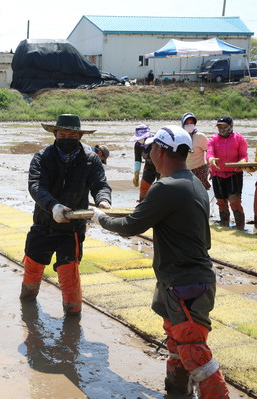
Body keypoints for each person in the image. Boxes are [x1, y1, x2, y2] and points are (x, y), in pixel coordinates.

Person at [92, 125, 229, 399]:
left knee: (194, 350)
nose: (148, 153)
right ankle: (177, 393)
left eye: (151, 148)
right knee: (178, 342)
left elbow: (132, 225)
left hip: (185, 283)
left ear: (160, 151)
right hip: (181, 280)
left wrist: (99, 218)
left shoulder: (166, 187)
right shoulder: (193, 182)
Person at [19, 114, 111, 316]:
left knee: (69, 275)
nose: (67, 137)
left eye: (71, 134)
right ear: (55, 134)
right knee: (33, 269)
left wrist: (103, 199)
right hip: (44, 223)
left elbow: (100, 184)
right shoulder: (42, 157)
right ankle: (27, 306)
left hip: (72, 230)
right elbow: (36, 186)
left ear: (79, 136)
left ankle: (72, 314)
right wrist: (53, 206)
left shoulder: (90, 159)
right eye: (62, 134)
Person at [206, 115, 249, 229]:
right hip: (217, 175)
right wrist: (210, 159)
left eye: (224, 126)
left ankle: (240, 226)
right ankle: (224, 224)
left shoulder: (239, 138)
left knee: (234, 201)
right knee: (221, 202)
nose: (222, 129)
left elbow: (244, 156)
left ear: (231, 126)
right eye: (219, 126)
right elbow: (209, 153)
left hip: (234, 174)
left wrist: (242, 162)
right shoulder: (213, 139)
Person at [130, 124, 160, 202]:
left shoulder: (155, 142)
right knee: (144, 187)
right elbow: (137, 159)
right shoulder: (137, 145)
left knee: (160, 187)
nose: (140, 140)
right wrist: (136, 173)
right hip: (149, 165)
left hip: (160, 166)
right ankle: (142, 204)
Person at [181, 112, 210, 190]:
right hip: (185, 170)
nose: (189, 125)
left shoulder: (200, 137)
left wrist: (211, 167)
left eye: (191, 123)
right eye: (187, 123)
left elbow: (209, 152)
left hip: (199, 169)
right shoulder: (180, 137)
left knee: (200, 194)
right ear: (182, 124)